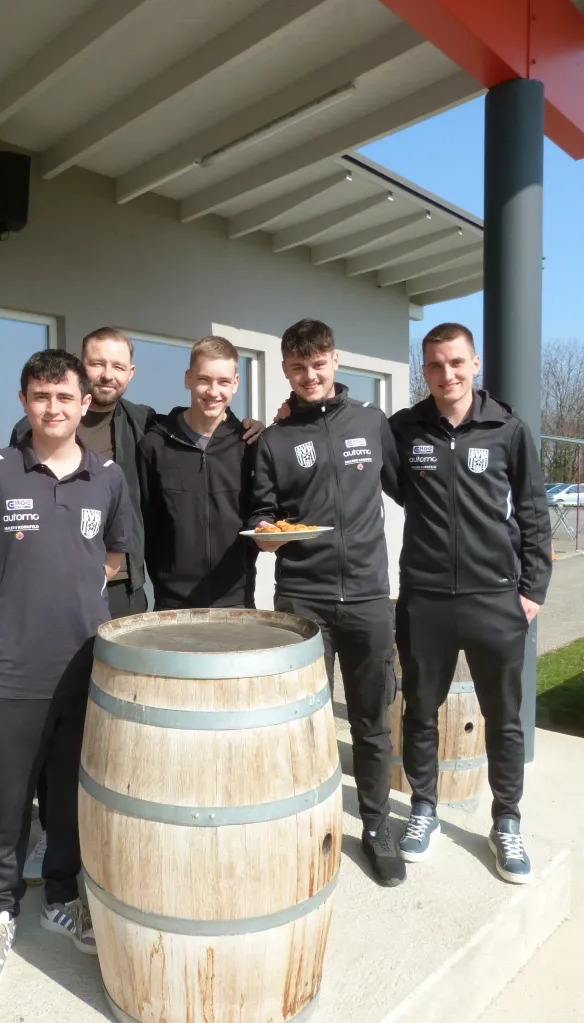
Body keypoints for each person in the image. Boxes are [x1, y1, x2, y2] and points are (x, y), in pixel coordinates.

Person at [17, 327, 264, 882]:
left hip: (123, 590)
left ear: (130, 374)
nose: (105, 374)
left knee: (121, 712)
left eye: (116, 366)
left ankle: (116, 815)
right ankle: (53, 832)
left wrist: (254, 422)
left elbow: (195, 428)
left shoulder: (142, 425)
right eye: (96, 364)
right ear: (82, 368)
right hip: (55, 595)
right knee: (58, 714)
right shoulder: (39, 426)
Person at [0, 349, 131, 993]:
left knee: (66, 797)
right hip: (12, 668)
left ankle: (61, 897)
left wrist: (68, 601)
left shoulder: (108, 477)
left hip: (84, 670)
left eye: (64, 398)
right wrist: (15, 615)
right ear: (24, 401)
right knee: (7, 802)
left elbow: (111, 557)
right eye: (40, 397)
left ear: (85, 404)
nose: (52, 409)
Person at [390, 323, 552, 883]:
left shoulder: (507, 429)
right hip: (425, 600)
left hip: (495, 600)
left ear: (475, 364)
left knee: (504, 720)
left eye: (456, 363)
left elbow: (533, 511)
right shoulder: (404, 430)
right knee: (419, 713)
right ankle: (424, 810)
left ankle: (506, 820)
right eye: (434, 365)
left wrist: (532, 589)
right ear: (424, 370)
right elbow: (386, 480)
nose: (446, 375)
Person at [249, 318, 405, 887]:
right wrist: (266, 531)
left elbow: (409, 487)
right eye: (297, 367)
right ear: (286, 370)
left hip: (367, 597)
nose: (309, 375)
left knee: (370, 722)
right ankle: (304, 826)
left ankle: (377, 826)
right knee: (303, 724)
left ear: (335, 361)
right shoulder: (274, 439)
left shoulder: (370, 421)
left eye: (318, 364)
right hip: (302, 600)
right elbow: (261, 515)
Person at [138, 335, 256, 610]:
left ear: (236, 383)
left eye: (223, 382)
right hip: (172, 606)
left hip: (236, 604)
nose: (213, 391)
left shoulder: (250, 445)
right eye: (204, 379)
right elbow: (145, 525)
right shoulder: (154, 446)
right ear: (188, 378)